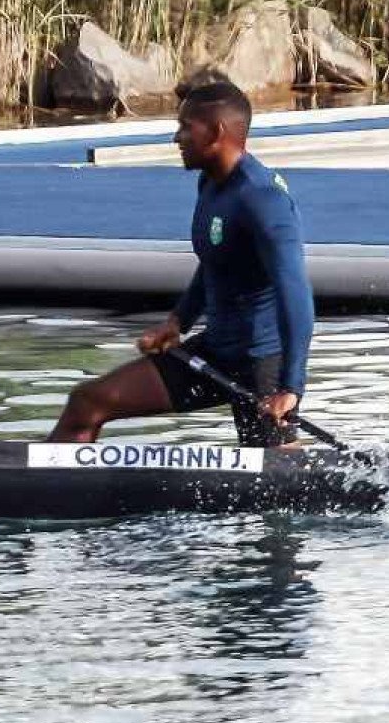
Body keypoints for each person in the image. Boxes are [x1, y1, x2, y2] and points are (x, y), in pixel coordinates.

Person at [47, 79, 315, 447]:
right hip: (215, 352)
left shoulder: (262, 200)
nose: (177, 137)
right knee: (88, 402)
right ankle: (57, 492)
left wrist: (290, 387)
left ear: (217, 132)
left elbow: (295, 294)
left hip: (261, 367)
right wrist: (178, 321)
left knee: (283, 490)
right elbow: (215, 261)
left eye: (186, 127)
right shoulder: (211, 183)